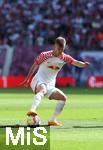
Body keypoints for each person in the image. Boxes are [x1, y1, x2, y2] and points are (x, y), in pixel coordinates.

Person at [20, 36, 90, 126]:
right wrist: (27, 79)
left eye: (62, 49)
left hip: (50, 84)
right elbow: (34, 66)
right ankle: (32, 110)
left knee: (63, 98)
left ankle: (52, 120)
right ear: (55, 46)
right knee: (42, 90)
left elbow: (75, 62)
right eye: (58, 49)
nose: (60, 51)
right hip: (38, 80)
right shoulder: (45, 55)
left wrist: (83, 64)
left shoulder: (64, 57)